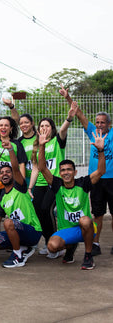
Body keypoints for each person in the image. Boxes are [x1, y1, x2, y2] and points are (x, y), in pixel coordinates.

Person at [39, 123, 106, 270]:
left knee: (85, 220)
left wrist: (101, 150)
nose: (66, 172)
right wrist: (42, 146)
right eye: (63, 170)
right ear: (60, 172)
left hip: (86, 228)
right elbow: (42, 168)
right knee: (52, 246)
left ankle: (88, 256)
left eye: (69, 169)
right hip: (68, 230)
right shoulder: (57, 184)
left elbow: (100, 171)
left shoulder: (83, 183)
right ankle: (70, 248)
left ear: (75, 172)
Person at [59, 85, 113, 256]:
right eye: (97, 122)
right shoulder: (92, 132)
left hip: (112, 179)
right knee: (97, 213)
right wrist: (68, 98)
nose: (99, 125)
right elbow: (80, 114)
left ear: (109, 124)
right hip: (96, 179)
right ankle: (95, 243)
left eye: (102, 122)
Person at [0, 140, 42, 268]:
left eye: (7, 172)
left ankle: (18, 256)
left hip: (32, 231)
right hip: (17, 231)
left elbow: (16, 168)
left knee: (8, 223)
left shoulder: (19, 186)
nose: (4, 174)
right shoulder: (2, 197)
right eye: (2, 173)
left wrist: (11, 150)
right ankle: (23, 248)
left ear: (12, 175)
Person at [30, 106, 73, 258]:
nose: (44, 128)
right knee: (37, 210)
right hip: (40, 184)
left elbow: (63, 130)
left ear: (52, 128)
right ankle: (49, 242)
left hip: (54, 182)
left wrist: (68, 118)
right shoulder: (37, 145)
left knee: (46, 209)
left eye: (47, 125)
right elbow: (35, 168)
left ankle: (57, 244)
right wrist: (30, 187)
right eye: (41, 125)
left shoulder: (57, 140)